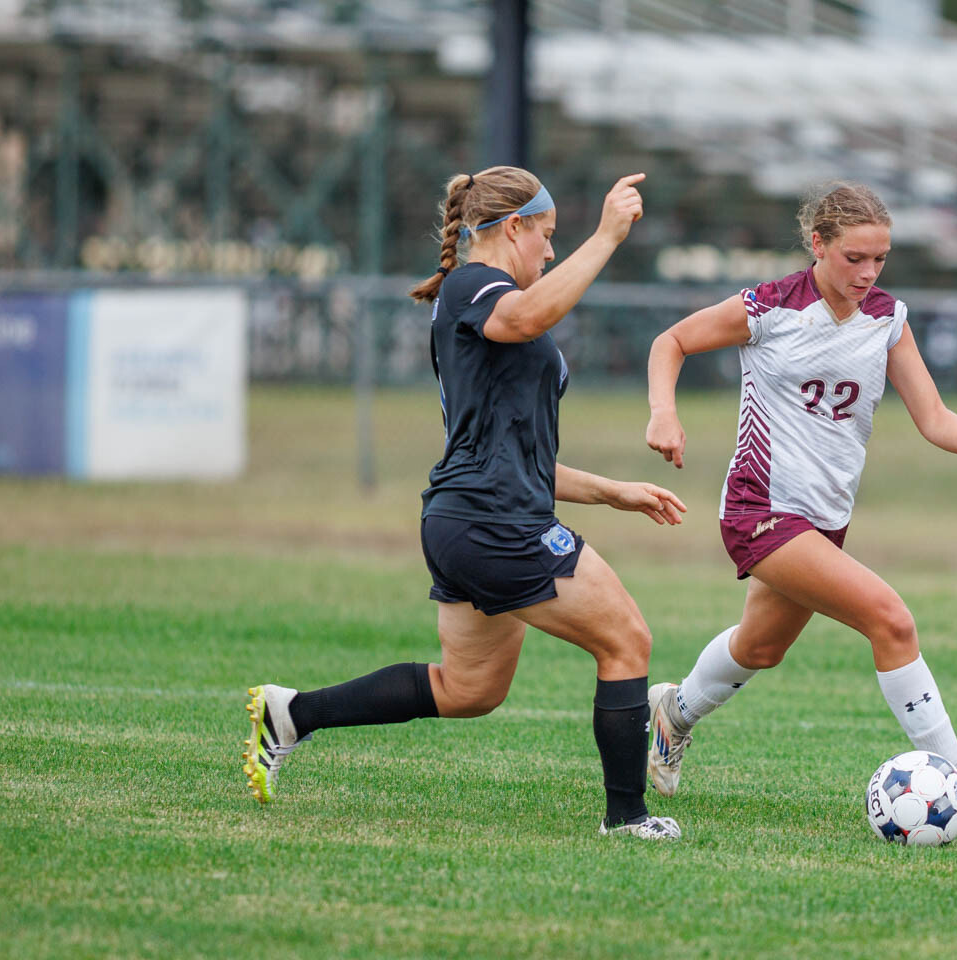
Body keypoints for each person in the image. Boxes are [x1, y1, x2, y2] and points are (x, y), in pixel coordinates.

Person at [243, 165, 686, 840]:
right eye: (546, 235)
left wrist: (612, 492)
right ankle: (628, 819)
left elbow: (517, 457)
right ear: (513, 227)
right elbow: (528, 317)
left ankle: (292, 714)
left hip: (471, 517)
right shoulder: (474, 284)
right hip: (492, 522)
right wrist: (605, 237)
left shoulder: (486, 300)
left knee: (469, 689)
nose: (551, 251)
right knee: (627, 641)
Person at [642, 182, 957, 822]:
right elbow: (670, 342)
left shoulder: (887, 318)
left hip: (825, 518)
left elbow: (933, 416)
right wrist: (663, 412)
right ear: (817, 244)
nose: (868, 273)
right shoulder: (770, 307)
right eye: (854, 258)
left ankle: (672, 713)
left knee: (760, 648)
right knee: (890, 619)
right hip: (761, 508)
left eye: (880, 259)